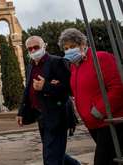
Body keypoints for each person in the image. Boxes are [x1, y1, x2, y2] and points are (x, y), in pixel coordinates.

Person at [58, 28, 123, 165]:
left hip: (109, 122)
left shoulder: (101, 58)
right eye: (66, 48)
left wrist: (99, 110)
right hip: (93, 125)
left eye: (72, 46)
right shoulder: (74, 67)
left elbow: (118, 87)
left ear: (82, 44)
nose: (69, 50)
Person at [17, 36, 80, 165]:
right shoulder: (30, 66)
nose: (33, 50)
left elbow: (69, 88)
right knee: (54, 152)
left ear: (44, 46)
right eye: (30, 49)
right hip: (42, 116)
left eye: (36, 47)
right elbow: (28, 89)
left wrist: (46, 86)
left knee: (50, 157)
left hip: (58, 115)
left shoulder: (57, 62)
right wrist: (21, 111)